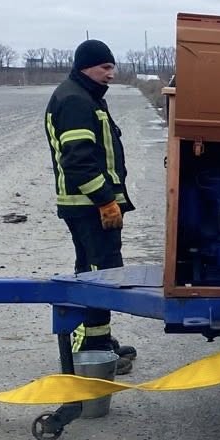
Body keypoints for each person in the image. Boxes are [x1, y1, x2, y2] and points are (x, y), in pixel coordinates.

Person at [45, 39, 136, 373]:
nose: (111, 74)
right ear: (86, 66)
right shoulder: (75, 101)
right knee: (102, 275)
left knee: (92, 271)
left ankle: (97, 338)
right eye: (105, 67)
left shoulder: (83, 96)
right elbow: (79, 160)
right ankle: (94, 345)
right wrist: (106, 200)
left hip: (86, 205)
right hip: (90, 206)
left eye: (112, 67)